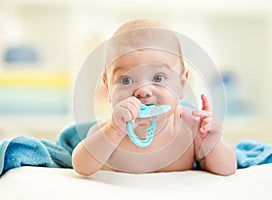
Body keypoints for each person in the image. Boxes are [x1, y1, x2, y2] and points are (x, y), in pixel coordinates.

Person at [72, 19, 237, 176]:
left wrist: (211, 145)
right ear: (108, 88)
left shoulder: (190, 128)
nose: (143, 91)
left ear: (181, 84)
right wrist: (113, 131)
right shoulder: (107, 132)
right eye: (126, 80)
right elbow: (81, 166)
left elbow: (227, 169)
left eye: (158, 78)